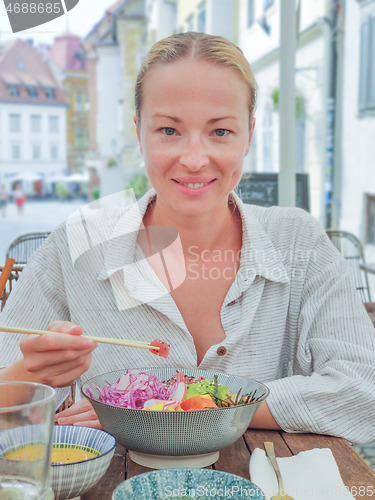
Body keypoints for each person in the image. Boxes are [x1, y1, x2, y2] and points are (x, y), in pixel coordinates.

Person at [0, 32, 374, 443]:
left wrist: (174, 406)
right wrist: (30, 373)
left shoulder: (298, 241)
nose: (194, 160)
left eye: (220, 132)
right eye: (168, 130)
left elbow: (364, 393)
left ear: (248, 134)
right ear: (139, 130)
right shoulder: (78, 244)